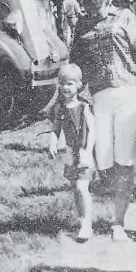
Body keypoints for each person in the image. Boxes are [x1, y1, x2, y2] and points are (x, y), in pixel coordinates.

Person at [71, 0, 136, 241]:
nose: (90, 10)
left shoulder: (124, 17)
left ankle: (118, 223)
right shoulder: (81, 25)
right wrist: (72, 93)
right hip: (99, 98)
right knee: (103, 160)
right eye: (86, 4)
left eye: (94, 3)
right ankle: (123, 205)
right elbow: (77, 64)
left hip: (128, 94)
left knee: (124, 160)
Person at [47, 64, 96, 242]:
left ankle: (87, 225)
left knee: (82, 188)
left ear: (79, 86)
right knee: (76, 188)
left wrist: (88, 151)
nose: (66, 88)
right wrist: (52, 145)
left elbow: (92, 130)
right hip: (70, 153)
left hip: (83, 153)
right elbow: (55, 129)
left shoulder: (84, 107)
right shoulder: (60, 108)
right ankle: (82, 218)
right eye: (63, 84)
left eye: (70, 84)